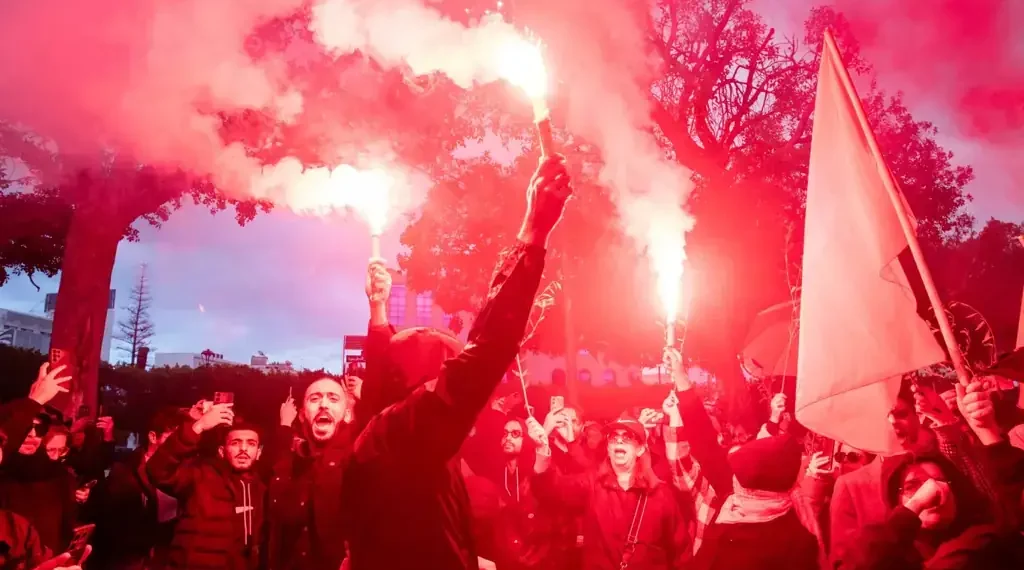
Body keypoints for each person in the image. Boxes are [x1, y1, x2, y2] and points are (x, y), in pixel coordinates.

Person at [341, 154, 573, 570]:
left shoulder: (384, 434)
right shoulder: (403, 435)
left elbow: (383, 376)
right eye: (448, 364)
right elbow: (485, 350)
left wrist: (378, 310)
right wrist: (533, 234)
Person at [526, 413, 692, 570]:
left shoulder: (660, 494)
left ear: (640, 449)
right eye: (613, 437)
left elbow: (681, 554)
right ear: (608, 448)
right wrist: (542, 448)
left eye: (627, 437)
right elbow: (550, 490)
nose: (619, 441)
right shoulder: (592, 484)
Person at [146, 403, 265, 570]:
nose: (243, 449)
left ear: (259, 452)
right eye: (235, 443)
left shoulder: (263, 489)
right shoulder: (200, 476)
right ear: (222, 451)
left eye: (251, 443)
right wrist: (198, 426)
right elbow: (157, 470)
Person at [265, 377, 352, 570]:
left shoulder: (358, 463)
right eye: (315, 398)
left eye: (333, 398)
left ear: (347, 414)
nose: (323, 405)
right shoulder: (291, 466)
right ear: (302, 415)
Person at [85, 406, 187, 570]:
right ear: (153, 437)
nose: (177, 445)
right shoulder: (125, 472)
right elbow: (115, 530)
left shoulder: (186, 473)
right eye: (172, 438)